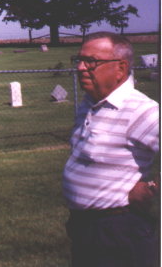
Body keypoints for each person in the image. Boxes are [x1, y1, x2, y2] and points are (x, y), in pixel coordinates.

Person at [63, 32, 159, 266]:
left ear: (120, 68)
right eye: (78, 60)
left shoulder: (142, 111)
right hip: (85, 229)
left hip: (120, 234)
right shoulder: (88, 104)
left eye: (91, 61)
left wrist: (153, 187)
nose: (81, 68)